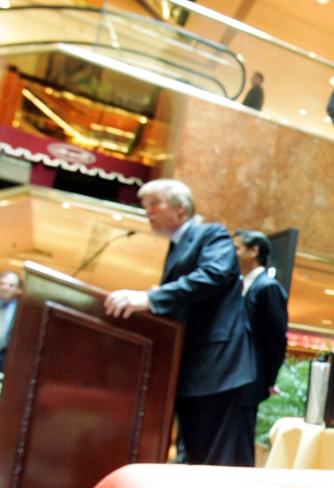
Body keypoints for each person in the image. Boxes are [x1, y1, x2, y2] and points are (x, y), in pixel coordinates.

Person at [104, 179, 258, 466]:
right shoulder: (177, 247)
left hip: (217, 369)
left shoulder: (211, 235)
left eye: (155, 204)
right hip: (193, 369)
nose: (147, 212)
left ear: (181, 209)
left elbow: (214, 275)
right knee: (198, 457)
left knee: (217, 462)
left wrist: (151, 298)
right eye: (145, 205)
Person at [233, 230, 289, 429]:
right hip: (237, 378)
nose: (233, 253)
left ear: (254, 251)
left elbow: (276, 339)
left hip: (250, 380)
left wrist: (268, 379)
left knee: (241, 439)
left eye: (237, 248)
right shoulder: (243, 285)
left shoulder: (267, 287)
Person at [0, 270, 23, 376]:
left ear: (19, 290)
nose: (5, 288)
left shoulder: (23, 312)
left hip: (6, 363)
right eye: (2, 283)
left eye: (11, 285)